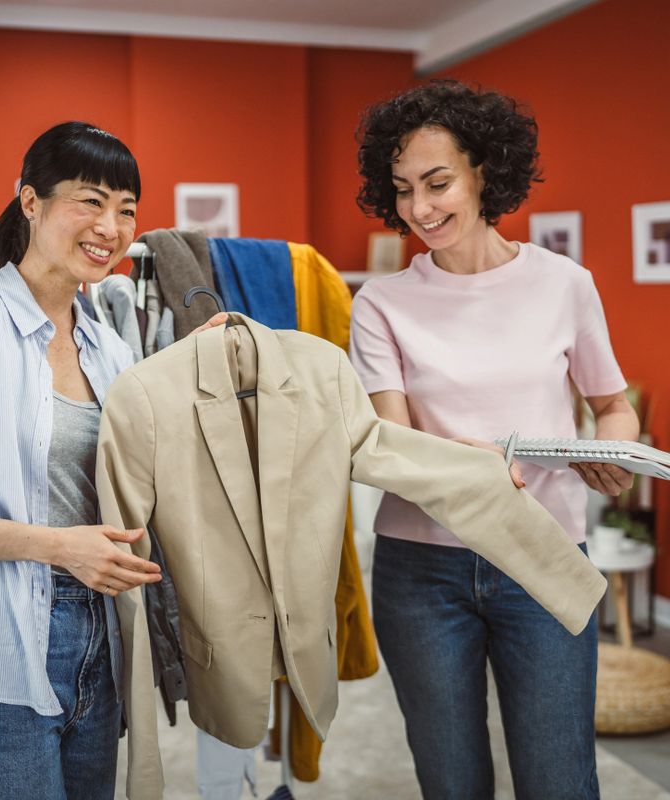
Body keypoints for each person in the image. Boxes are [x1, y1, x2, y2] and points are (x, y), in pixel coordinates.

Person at [0, 121, 225, 799]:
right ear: (30, 201)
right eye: (91, 200)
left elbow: (139, 480)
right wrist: (60, 549)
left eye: (127, 209)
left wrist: (200, 371)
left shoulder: (108, 347)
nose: (113, 226)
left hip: (101, 636)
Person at [351, 80, 639, 800]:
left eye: (438, 182)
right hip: (421, 572)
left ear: (485, 169)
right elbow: (389, 444)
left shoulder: (565, 285)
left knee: (559, 779)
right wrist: (468, 466)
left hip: (540, 554)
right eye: (404, 188)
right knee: (452, 784)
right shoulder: (381, 301)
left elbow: (612, 404)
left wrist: (615, 454)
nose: (420, 208)